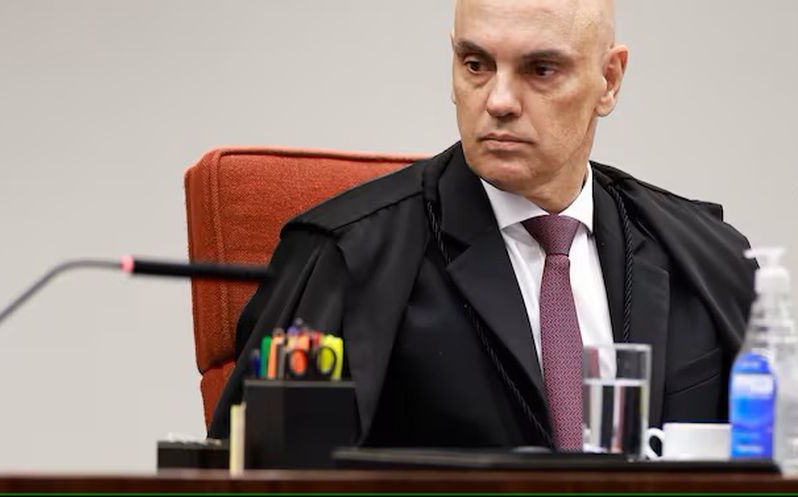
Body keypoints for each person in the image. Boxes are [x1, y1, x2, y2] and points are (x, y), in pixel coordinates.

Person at [208, 0, 762, 449]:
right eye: (476, 64)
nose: (498, 101)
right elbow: (251, 473)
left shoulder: (704, 254)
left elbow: (785, 456)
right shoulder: (346, 255)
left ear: (609, 80)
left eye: (540, 70)